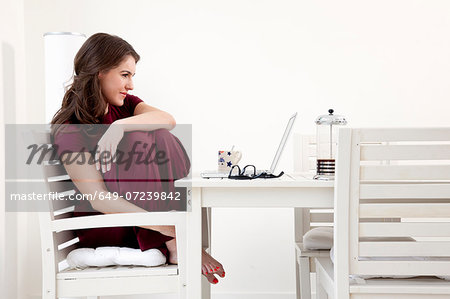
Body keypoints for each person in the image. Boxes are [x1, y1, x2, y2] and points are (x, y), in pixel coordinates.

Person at [51, 32, 225, 284]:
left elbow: (168, 119)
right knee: (140, 140)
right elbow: (99, 199)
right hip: (107, 223)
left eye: (132, 76)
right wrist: (171, 229)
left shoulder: (125, 106)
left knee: (160, 135)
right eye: (125, 75)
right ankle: (176, 241)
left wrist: (119, 126)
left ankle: (174, 239)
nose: (130, 85)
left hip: (143, 218)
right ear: (99, 72)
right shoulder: (71, 128)